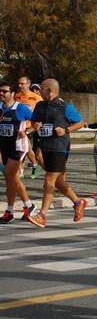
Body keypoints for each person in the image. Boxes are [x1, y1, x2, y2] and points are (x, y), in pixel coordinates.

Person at [25, 79, 87, 228]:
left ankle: (42, 215)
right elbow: (34, 122)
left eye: (42, 89)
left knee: (49, 181)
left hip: (59, 147)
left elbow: (79, 122)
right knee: (58, 182)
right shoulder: (39, 105)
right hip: (45, 147)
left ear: (50, 90)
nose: (39, 92)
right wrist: (36, 125)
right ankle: (78, 203)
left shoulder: (64, 107)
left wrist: (65, 130)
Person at [0, 82, 37, 224]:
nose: (2, 93)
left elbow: (37, 122)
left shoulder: (20, 108)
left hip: (18, 146)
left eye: (4, 91)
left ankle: (11, 211)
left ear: (13, 94)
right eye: (0, 91)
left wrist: (26, 132)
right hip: (5, 146)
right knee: (13, 179)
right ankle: (26, 206)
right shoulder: (0, 107)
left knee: (10, 177)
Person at [15, 76, 43, 179]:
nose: (20, 85)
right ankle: (33, 166)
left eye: (22, 84)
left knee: (24, 147)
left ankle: (25, 169)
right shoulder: (17, 96)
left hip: (31, 126)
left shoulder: (36, 97)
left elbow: (41, 112)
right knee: (25, 148)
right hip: (19, 126)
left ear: (28, 85)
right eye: (19, 83)